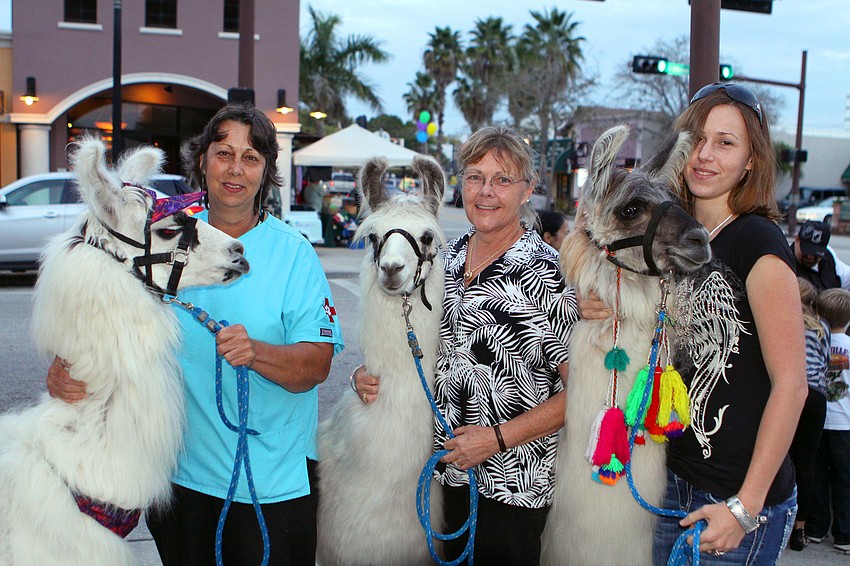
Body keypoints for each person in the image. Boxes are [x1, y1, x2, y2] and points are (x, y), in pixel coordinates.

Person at [47, 103, 344, 565]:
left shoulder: (295, 254)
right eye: (223, 153)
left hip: (271, 485)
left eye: (251, 158)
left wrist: (258, 353)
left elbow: (316, 364)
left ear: (265, 172)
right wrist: (64, 368)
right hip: (180, 481)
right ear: (202, 160)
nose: (235, 169)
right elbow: (101, 318)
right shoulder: (156, 236)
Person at [580, 83, 807, 564]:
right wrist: (589, 298)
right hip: (672, 479)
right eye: (697, 139)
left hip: (733, 498)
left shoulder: (758, 244)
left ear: (751, 160)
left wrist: (744, 507)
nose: (705, 156)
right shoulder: (670, 237)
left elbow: (793, 385)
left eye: (726, 143)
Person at [354, 126, 578, 564]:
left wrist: (497, 438)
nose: (486, 192)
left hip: (515, 487)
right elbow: (408, 346)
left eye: (502, 179)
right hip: (444, 477)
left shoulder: (552, 276)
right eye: (475, 177)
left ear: (527, 189)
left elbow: (583, 395)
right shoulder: (442, 259)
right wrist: (362, 374)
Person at [787, 278, 830, 551]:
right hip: (817, 396)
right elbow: (825, 364)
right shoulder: (822, 326)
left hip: (793, 391)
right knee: (807, 461)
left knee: (782, 456)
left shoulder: (788, 321)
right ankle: (800, 529)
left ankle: (775, 517)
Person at [808, 288, 850, 552]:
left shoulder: (816, 338)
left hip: (821, 420)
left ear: (819, 313)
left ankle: (815, 528)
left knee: (818, 475)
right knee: (844, 479)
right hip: (845, 423)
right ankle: (844, 534)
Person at [793, 220, 850, 293]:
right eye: (806, 251)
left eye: (816, 254)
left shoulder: (828, 257)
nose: (810, 257)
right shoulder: (786, 263)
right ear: (797, 240)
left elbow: (847, 276)